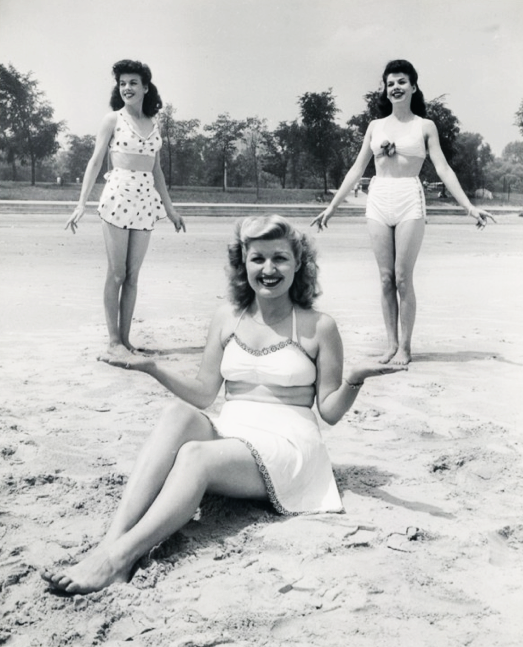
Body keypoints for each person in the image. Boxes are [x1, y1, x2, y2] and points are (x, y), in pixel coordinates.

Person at [41, 215, 406, 595]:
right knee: (177, 415)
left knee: (195, 456)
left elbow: (329, 411)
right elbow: (203, 393)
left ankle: (119, 560)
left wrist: (356, 378)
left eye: (280, 258)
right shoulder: (226, 317)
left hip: (288, 447)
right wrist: (152, 368)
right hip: (233, 434)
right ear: (242, 264)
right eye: (258, 258)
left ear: (299, 264)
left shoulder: (319, 326)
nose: (269, 269)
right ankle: (108, 544)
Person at [311, 59, 495, 365]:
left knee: (401, 278)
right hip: (379, 198)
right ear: (385, 88)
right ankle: (391, 343)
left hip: (410, 196)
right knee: (384, 278)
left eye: (401, 82)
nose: (395, 87)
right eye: (390, 83)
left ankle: (405, 348)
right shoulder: (374, 127)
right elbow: (356, 170)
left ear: (413, 86)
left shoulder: (425, 126)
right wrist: (331, 207)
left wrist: (468, 206)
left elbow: (443, 168)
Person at [65, 59, 186, 358]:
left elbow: (156, 171)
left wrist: (170, 210)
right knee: (116, 274)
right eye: (122, 83)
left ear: (146, 87)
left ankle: (127, 341)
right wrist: (81, 203)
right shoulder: (112, 119)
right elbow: (95, 162)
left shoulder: (155, 123)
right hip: (117, 198)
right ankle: (113, 341)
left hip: (146, 203)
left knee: (133, 276)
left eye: (133, 83)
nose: (127, 88)